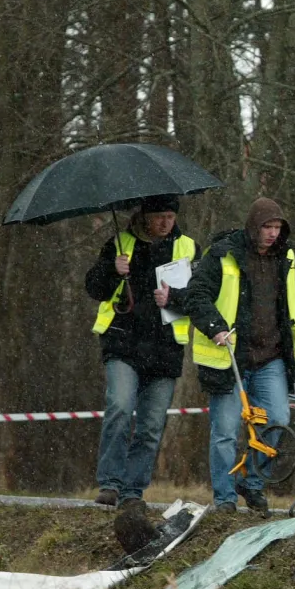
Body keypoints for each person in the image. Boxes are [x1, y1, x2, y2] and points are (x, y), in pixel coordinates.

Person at [185, 198, 295, 515]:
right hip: (230, 358)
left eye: (277, 227)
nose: (272, 233)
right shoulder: (222, 254)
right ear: (254, 227)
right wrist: (215, 326)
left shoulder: (286, 258)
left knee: (278, 421)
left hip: (271, 358)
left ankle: (250, 481)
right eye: (267, 227)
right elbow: (195, 295)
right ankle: (225, 498)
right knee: (225, 432)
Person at [84, 194, 196, 509]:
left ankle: (133, 491)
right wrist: (112, 270)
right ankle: (110, 483)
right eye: (159, 216)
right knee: (119, 408)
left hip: (165, 349)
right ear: (145, 216)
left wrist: (174, 299)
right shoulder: (119, 242)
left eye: (170, 217)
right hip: (123, 341)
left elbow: (201, 296)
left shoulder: (188, 248)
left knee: (151, 425)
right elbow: (93, 288)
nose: (165, 223)